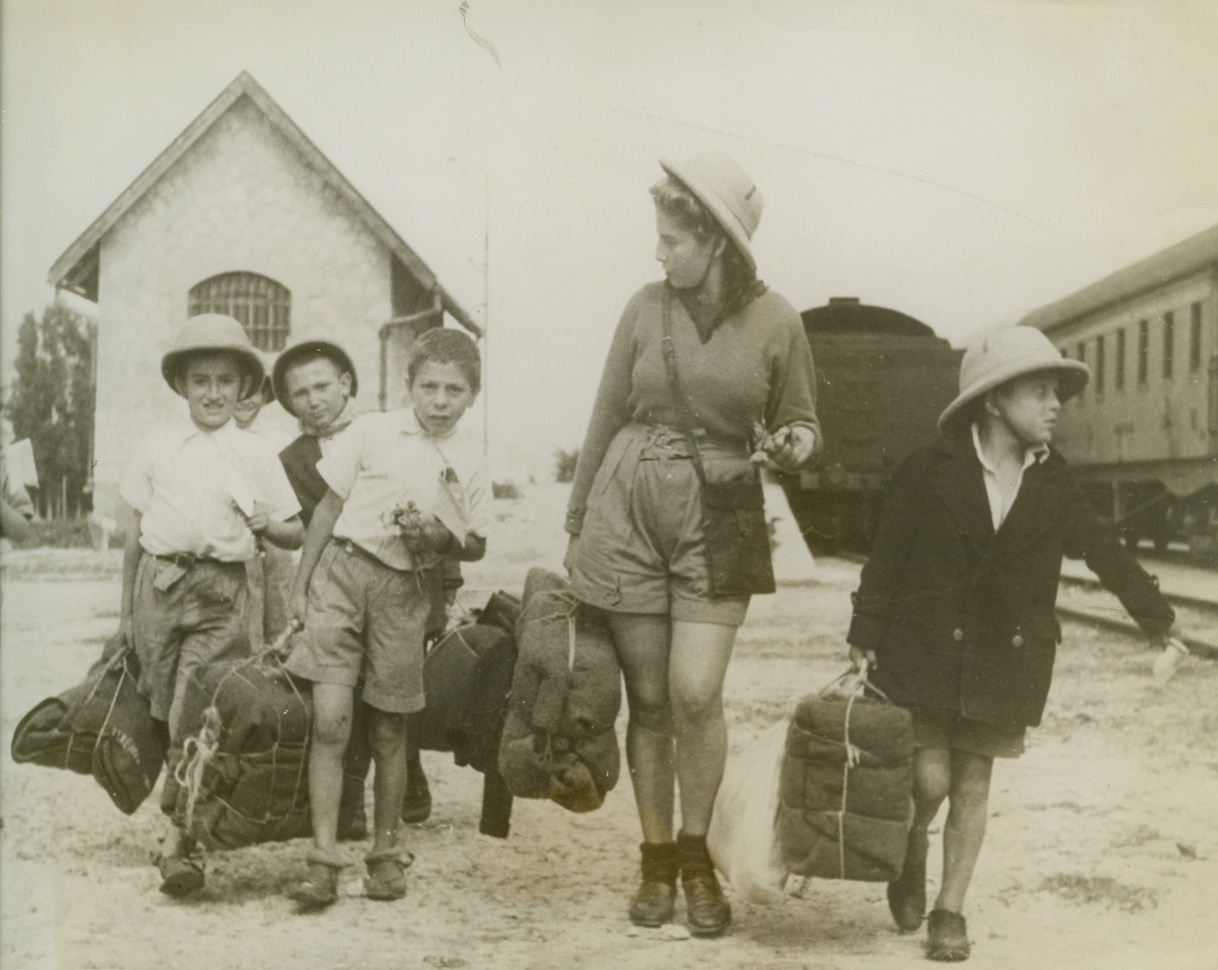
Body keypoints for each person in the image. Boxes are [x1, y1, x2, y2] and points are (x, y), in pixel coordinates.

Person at [847, 326, 1186, 962]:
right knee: (927, 779)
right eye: (1040, 392)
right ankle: (911, 846)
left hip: (1006, 658)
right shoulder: (928, 471)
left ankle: (950, 910)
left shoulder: (1056, 483)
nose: (1055, 405)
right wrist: (865, 631)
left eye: (1057, 393)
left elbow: (1106, 553)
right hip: (922, 653)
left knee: (972, 784)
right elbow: (886, 557)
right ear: (995, 400)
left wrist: (1156, 618)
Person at [564, 152, 823, 937]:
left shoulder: (779, 320)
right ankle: (655, 862)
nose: (659, 252)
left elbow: (806, 421)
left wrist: (793, 447)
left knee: (695, 694)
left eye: (673, 239)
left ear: (718, 242)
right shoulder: (643, 309)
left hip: (725, 509)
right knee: (647, 700)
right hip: (629, 506)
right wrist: (579, 522)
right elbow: (606, 414)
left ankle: (696, 855)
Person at [285, 327, 490, 909]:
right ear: (409, 386)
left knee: (391, 728)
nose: (440, 400)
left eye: (455, 389)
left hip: (407, 590)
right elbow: (326, 510)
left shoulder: (470, 459)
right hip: (343, 577)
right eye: (429, 386)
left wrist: (441, 538)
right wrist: (301, 590)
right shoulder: (371, 432)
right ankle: (323, 860)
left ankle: (385, 854)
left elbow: (474, 543)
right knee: (330, 719)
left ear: (472, 395)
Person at [116, 313, 303, 896]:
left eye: (227, 380)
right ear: (183, 385)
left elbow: (294, 533)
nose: (214, 392)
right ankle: (178, 809)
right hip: (159, 588)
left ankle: (182, 843)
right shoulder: (157, 445)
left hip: (223, 592)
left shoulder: (256, 452)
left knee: (192, 712)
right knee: (159, 704)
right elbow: (132, 534)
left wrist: (268, 523)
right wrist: (126, 612)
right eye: (202, 380)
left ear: (245, 385)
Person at [233, 375, 294, 646]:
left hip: (275, 540)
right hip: (237, 543)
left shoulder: (278, 440)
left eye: (254, 392)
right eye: (240, 391)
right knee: (245, 620)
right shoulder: (212, 440)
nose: (246, 400)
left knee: (279, 622)